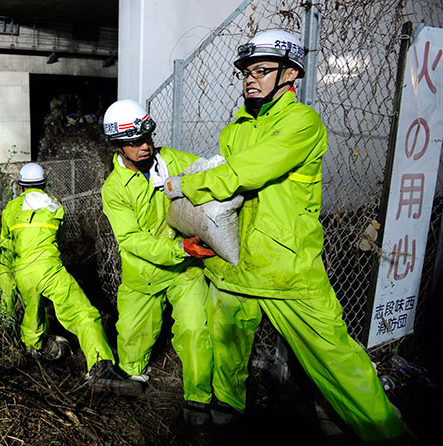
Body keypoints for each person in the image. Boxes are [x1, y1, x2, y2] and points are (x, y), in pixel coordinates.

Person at [162, 29, 411, 442]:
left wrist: (185, 186)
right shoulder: (236, 127)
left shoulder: (301, 122)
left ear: (290, 74)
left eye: (261, 70)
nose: (250, 79)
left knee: (333, 354)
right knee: (228, 339)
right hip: (237, 262)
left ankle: (386, 431)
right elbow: (229, 190)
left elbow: (248, 171)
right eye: (246, 71)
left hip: (286, 266)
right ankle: (228, 409)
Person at [100, 99, 215, 424]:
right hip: (145, 274)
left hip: (185, 270)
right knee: (134, 334)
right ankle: (132, 374)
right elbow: (132, 240)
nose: (145, 146)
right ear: (117, 145)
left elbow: (211, 176)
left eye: (147, 137)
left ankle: (197, 398)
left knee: (195, 328)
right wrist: (182, 248)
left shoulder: (174, 161)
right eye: (134, 142)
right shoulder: (115, 189)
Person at [0, 163, 141, 395]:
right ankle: (100, 366)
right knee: (84, 313)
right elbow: (60, 238)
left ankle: (35, 349)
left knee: (32, 314)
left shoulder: (11, 209)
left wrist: (6, 301)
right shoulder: (55, 206)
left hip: (22, 271)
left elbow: (6, 251)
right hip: (50, 269)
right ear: (44, 184)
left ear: (21, 186)